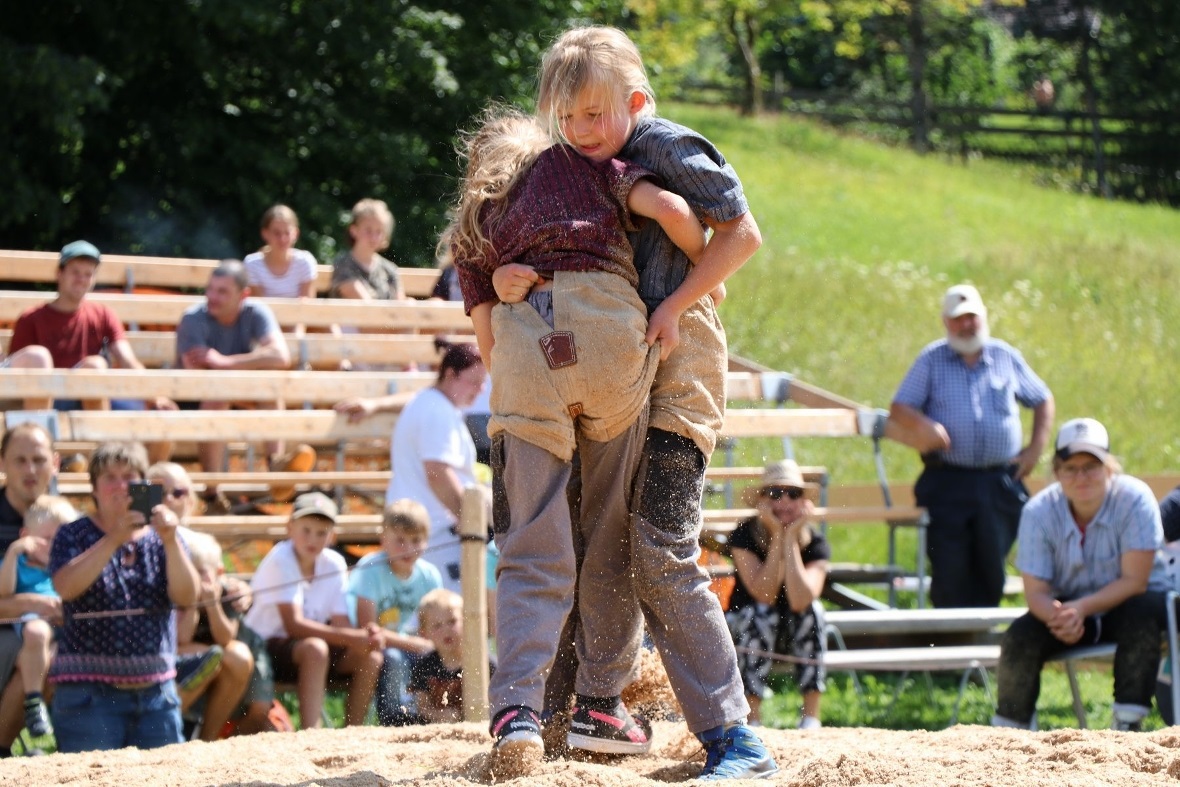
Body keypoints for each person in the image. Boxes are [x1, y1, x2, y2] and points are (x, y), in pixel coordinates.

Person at [489, 26, 774, 780]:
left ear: (635, 101)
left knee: (658, 547)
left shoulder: (664, 144)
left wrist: (678, 301)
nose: (580, 130)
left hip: (678, 366)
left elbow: (741, 233)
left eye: (594, 114)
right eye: (567, 117)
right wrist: (507, 277)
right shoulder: (578, 168)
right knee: (591, 537)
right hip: (621, 361)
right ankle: (568, 715)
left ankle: (734, 736)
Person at [442, 101, 715, 774]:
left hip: (527, 354)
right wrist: (692, 285)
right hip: (611, 341)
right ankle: (599, 702)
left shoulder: (473, 228)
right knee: (611, 530)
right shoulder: (586, 163)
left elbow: (486, 345)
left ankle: (517, 711)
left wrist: (516, 300)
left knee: (533, 542)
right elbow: (676, 215)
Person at [992, 418, 1169, 732]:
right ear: (1056, 472)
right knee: (1019, 635)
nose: (1081, 476)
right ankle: (1009, 730)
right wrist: (1057, 616)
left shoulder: (1136, 499)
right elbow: (1036, 593)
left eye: (1091, 466)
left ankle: (1128, 724)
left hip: (1133, 603)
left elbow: (1136, 581)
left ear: (1109, 468)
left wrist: (1081, 609)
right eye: (1070, 468)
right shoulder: (1038, 511)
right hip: (1069, 611)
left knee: (1143, 613)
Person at [889, 283, 1054, 608]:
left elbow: (1042, 398)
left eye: (971, 318)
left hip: (999, 482)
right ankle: (949, 649)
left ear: (983, 317)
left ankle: (983, 650)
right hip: (947, 481)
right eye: (958, 319)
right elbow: (900, 407)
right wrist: (927, 426)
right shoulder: (932, 360)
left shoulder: (1005, 356)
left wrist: (1036, 448)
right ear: (946, 323)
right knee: (950, 571)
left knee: (992, 569)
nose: (966, 325)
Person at [47, 441, 200, 753]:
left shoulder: (164, 537)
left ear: (143, 483)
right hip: (87, 697)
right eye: (110, 477)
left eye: (129, 476)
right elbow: (66, 587)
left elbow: (188, 596)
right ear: (94, 487)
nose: (120, 486)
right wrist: (113, 538)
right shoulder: (73, 534)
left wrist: (171, 541)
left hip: (157, 696)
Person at [334, 340, 489, 597]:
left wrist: (376, 405)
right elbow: (438, 473)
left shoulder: (430, 402)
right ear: (450, 375)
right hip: (435, 535)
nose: (481, 389)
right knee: (446, 617)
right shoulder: (439, 412)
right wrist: (471, 521)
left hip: (420, 533)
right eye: (474, 382)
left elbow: (419, 395)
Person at [1, 241, 176, 450]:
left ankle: (98, 460)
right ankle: (43, 452)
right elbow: (17, 379)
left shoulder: (103, 314)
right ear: (60, 274)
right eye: (75, 272)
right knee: (44, 359)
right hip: (43, 399)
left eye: (88, 274)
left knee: (98, 369)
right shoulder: (31, 319)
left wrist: (155, 395)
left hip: (90, 395)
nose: (81, 279)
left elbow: (128, 360)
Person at [147, 462, 274, 739]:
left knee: (238, 653)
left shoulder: (201, 543)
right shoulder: (136, 540)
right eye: (159, 491)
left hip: (196, 638)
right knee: (211, 655)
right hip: (155, 640)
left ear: (191, 501)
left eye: (177, 492)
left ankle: (207, 740)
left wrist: (232, 589)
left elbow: (216, 584)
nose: (168, 499)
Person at [175, 260, 313, 506]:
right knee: (219, 392)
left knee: (269, 387)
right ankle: (212, 491)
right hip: (190, 398)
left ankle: (276, 467)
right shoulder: (193, 319)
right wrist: (233, 367)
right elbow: (196, 374)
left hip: (233, 392)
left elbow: (281, 356)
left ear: (243, 295)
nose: (212, 297)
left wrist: (225, 362)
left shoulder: (256, 312)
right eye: (211, 289)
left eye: (222, 291)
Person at [242, 492, 383, 728]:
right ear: (290, 528)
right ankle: (311, 732)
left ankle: (354, 733)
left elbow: (340, 621)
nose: (313, 539)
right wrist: (351, 636)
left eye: (321, 532)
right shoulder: (281, 559)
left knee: (370, 655)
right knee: (315, 649)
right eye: (306, 530)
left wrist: (363, 639)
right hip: (264, 648)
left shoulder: (334, 563)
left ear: (332, 536)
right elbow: (293, 625)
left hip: (302, 649)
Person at [726, 461, 830, 729]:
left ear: (803, 502)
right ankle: (753, 717)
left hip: (790, 629)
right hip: (745, 628)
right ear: (761, 500)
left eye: (793, 494)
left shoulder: (816, 544)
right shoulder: (743, 535)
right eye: (774, 493)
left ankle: (811, 717)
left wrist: (791, 538)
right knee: (760, 613)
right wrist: (776, 536)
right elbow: (764, 594)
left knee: (813, 612)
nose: (784, 500)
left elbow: (801, 600)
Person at [348, 498, 441, 726]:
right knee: (394, 659)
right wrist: (417, 644)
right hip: (363, 647)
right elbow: (368, 631)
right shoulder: (371, 569)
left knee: (438, 658)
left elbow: (434, 623)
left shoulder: (429, 575)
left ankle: (433, 718)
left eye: (416, 540)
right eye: (400, 540)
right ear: (384, 539)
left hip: (403, 641)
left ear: (426, 541)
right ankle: (394, 721)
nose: (408, 549)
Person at [0, 422, 60, 758]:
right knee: (34, 650)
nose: (30, 469)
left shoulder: (67, 519)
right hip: (7, 632)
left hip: (46, 629)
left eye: (38, 459)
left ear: (56, 463)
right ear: (1, 463)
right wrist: (33, 603)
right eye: (19, 460)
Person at [0, 495, 75, 739]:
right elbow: (4, 592)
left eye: (60, 539)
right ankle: (34, 703)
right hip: (33, 624)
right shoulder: (18, 563)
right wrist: (13, 554)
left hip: (64, 626)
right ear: (26, 536)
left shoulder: (67, 565)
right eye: (45, 539)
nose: (54, 546)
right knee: (37, 631)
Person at [408, 588, 494, 724]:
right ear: (424, 633)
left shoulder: (483, 663)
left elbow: (499, 700)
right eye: (437, 626)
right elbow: (422, 707)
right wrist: (439, 715)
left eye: (452, 621)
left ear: (467, 623)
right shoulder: (424, 666)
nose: (446, 630)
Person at [330, 198, 405, 301]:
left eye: (379, 231)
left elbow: (400, 305)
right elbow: (365, 304)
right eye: (368, 230)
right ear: (354, 230)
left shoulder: (389, 269)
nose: (374, 237)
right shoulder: (343, 264)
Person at [243, 205, 318, 299]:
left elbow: (307, 306)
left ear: (296, 234)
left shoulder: (305, 262)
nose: (282, 239)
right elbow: (259, 307)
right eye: (276, 233)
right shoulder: (252, 264)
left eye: (287, 233)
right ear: (265, 233)